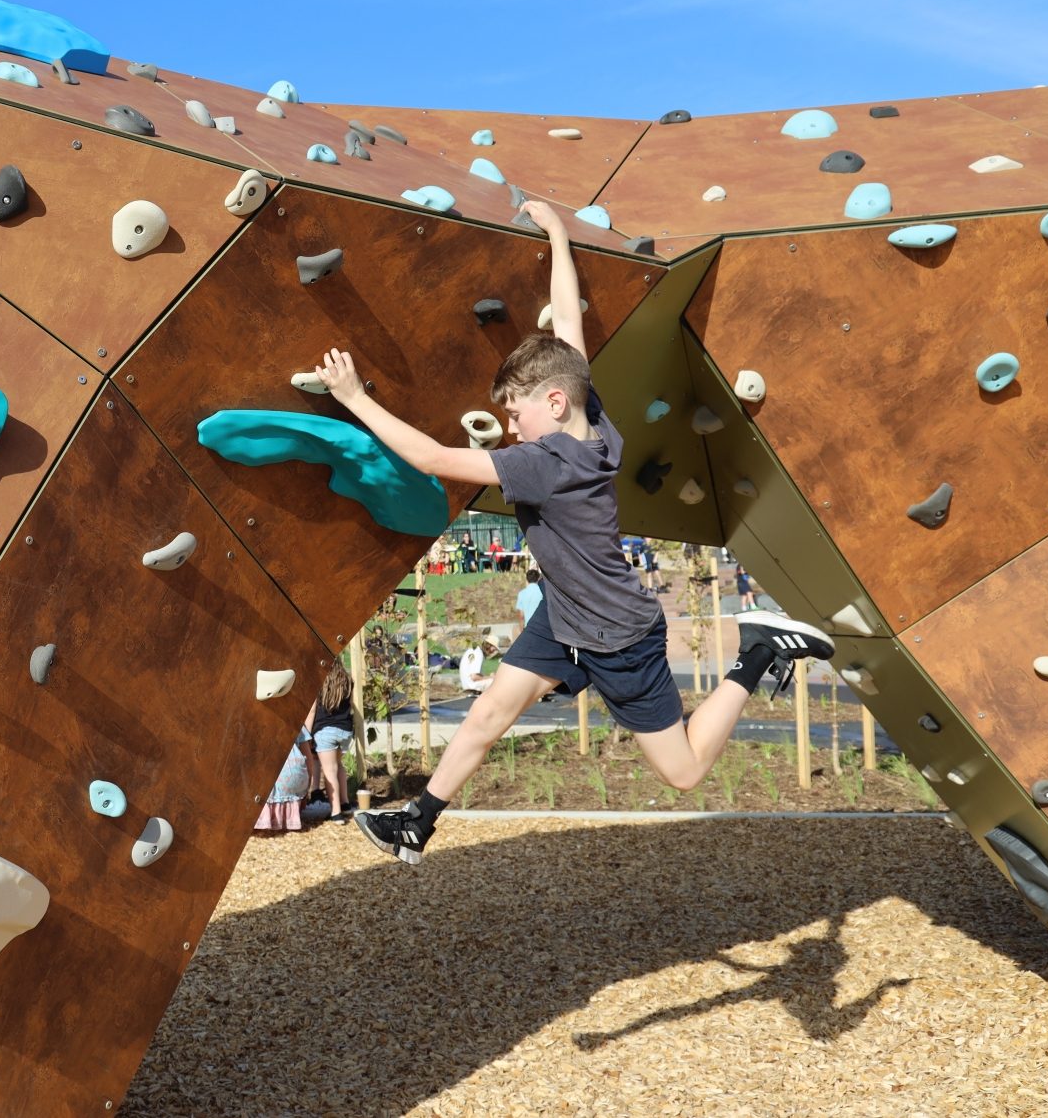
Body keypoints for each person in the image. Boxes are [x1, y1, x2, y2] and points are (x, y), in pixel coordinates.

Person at [313, 198, 836, 865]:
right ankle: (419, 820)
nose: (509, 427)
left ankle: (757, 651)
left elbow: (437, 461)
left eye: (515, 412)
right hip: (565, 616)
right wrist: (559, 235)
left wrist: (355, 396)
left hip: (618, 635)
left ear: (554, 403)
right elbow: (568, 328)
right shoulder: (596, 426)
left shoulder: (545, 462)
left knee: (682, 769)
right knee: (489, 712)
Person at [304, 666, 357, 824]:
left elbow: (312, 710)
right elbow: (351, 705)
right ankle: (345, 803)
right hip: (345, 730)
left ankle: (336, 813)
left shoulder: (319, 681)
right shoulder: (348, 681)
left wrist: (306, 734)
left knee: (329, 770)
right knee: (338, 765)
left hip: (325, 730)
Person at [254, 727, 317, 832]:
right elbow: (309, 758)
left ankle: (264, 818)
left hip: (264, 786)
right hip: (294, 776)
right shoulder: (297, 723)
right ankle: (288, 818)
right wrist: (307, 786)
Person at [514, 568, 543, 635]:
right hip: (541, 628)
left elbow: (521, 616)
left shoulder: (522, 593)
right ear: (538, 579)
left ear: (527, 579)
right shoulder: (542, 593)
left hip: (528, 629)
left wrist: (522, 631)